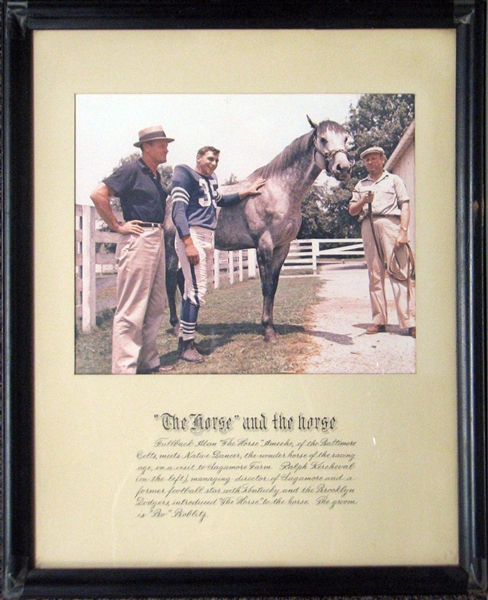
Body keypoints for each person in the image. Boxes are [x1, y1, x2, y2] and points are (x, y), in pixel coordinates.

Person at [90, 125, 176, 374]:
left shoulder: (154, 175)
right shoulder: (131, 170)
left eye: (166, 143)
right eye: (161, 144)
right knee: (132, 308)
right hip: (138, 239)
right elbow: (98, 194)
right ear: (146, 147)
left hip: (156, 237)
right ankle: (124, 370)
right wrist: (117, 225)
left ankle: (148, 362)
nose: (166, 148)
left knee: (155, 304)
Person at [171, 146, 266, 363]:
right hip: (192, 234)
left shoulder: (211, 179)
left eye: (216, 161)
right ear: (198, 157)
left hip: (208, 235)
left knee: (192, 289)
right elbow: (177, 211)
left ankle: (185, 339)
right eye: (210, 159)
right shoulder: (184, 173)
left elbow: (220, 199)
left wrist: (247, 191)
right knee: (197, 289)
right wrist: (188, 242)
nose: (213, 164)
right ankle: (187, 344)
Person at [348, 146, 416, 338]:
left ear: (383, 160)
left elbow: (405, 205)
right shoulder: (361, 184)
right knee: (375, 274)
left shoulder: (394, 180)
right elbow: (352, 210)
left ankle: (410, 322)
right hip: (368, 225)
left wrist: (403, 231)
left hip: (390, 225)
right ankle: (379, 320)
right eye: (367, 160)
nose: (371, 162)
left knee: (400, 272)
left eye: (375, 158)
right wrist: (363, 201)